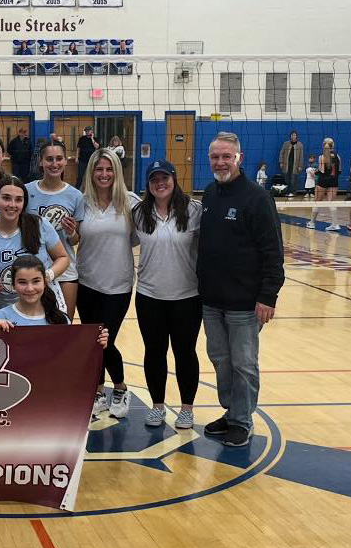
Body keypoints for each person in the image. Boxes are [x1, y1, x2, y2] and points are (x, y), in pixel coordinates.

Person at [199, 132, 284, 447]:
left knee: (243, 363)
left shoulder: (257, 198)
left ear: (239, 158)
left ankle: (242, 421)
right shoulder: (209, 194)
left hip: (245, 303)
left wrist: (268, 296)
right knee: (220, 358)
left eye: (226, 156)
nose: (220, 162)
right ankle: (232, 411)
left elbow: (273, 251)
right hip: (211, 300)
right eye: (215, 157)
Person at [132, 160, 203, 429]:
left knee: (185, 352)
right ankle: (158, 406)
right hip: (150, 295)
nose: (160, 183)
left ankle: (187, 408)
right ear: (148, 185)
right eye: (154, 179)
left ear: (174, 179)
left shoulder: (194, 211)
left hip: (187, 295)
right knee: (154, 351)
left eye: (165, 178)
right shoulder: (139, 213)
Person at [75, 148, 140, 419]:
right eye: (99, 169)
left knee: (105, 338)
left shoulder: (131, 202)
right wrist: (70, 235)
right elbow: (74, 240)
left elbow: (138, 238)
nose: (104, 174)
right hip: (87, 280)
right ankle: (99, 392)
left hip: (118, 283)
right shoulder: (81, 202)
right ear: (91, 172)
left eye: (109, 169)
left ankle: (121, 388)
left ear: (117, 171)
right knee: (92, 341)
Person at [0, 176, 70, 312]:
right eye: (6, 198)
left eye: (18, 199)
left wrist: (48, 275)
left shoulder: (39, 224)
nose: (12, 205)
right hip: (8, 310)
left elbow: (63, 258)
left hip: (47, 304)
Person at [0, 255, 109, 350]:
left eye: (36, 281)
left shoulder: (60, 319)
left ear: (45, 283)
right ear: (13, 286)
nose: (30, 288)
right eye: (22, 282)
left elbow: (70, 355)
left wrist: (96, 343)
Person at [25, 140, 84, 320]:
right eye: (49, 159)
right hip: (32, 269)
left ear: (66, 161)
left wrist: (71, 232)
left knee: (64, 327)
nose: (54, 164)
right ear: (41, 162)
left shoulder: (75, 195)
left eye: (59, 159)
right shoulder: (27, 191)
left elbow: (75, 240)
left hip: (65, 269)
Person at [308, 138, 342, 231]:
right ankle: (335, 224)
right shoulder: (337, 156)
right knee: (331, 202)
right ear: (333, 146)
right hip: (334, 181)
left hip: (323, 181)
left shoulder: (321, 157)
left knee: (317, 201)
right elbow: (339, 171)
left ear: (323, 145)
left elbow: (321, 171)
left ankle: (312, 223)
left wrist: (314, 173)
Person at [279, 131, 304, 198]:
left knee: (293, 179)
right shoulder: (286, 144)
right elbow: (282, 153)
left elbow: (301, 156)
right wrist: (281, 162)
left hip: (295, 164)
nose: (293, 136)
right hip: (286, 163)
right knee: (286, 178)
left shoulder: (300, 145)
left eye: (295, 135)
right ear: (290, 136)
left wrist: (300, 165)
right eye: (292, 135)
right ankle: (286, 191)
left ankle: (293, 192)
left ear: (296, 136)